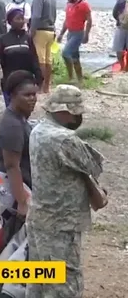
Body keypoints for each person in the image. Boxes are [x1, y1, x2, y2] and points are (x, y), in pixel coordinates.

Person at [27, 85, 108, 298]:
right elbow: (94, 165)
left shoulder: (38, 130)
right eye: (76, 112)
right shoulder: (64, 139)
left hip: (40, 218)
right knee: (64, 285)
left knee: (38, 283)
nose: (79, 117)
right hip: (62, 223)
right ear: (63, 111)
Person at [0, 70, 37, 255]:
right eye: (27, 95)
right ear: (13, 96)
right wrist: (22, 201)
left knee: (18, 240)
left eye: (34, 94)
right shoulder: (12, 125)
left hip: (17, 184)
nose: (32, 99)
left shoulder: (19, 119)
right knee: (17, 243)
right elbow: (12, 165)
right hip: (13, 186)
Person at [0, 9, 42, 106]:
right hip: (10, 80)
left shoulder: (28, 38)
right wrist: (2, 81)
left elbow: (34, 58)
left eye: (22, 18)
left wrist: (39, 78)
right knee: (11, 108)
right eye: (18, 19)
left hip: (26, 80)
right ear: (10, 21)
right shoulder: (3, 39)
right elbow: (0, 62)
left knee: (25, 108)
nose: (21, 21)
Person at [57, 0, 93, 87]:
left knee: (65, 53)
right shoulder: (68, 5)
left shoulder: (84, 4)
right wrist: (61, 34)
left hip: (78, 33)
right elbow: (66, 21)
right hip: (70, 33)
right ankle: (80, 79)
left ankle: (71, 77)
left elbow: (89, 20)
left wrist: (86, 34)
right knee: (75, 57)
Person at [29, 0, 58, 94]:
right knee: (48, 60)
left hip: (40, 30)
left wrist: (32, 31)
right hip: (51, 30)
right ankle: (47, 87)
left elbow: (36, 16)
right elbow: (54, 15)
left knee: (40, 60)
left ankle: (40, 87)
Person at [112, 0, 128, 71]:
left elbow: (114, 13)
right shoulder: (121, 1)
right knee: (119, 50)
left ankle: (124, 68)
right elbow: (114, 13)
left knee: (120, 50)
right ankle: (123, 68)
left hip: (121, 27)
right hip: (121, 27)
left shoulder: (121, 0)